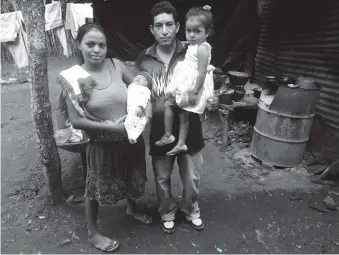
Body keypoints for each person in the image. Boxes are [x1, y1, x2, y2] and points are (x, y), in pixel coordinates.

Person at [60, 23, 152, 252]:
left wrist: (147, 111)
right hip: (101, 143)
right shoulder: (74, 78)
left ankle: (132, 208)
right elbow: (76, 120)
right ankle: (92, 232)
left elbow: (141, 89)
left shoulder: (116, 65)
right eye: (90, 44)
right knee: (95, 188)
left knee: (131, 174)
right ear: (78, 44)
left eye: (101, 45)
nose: (96, 50)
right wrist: (110, 128)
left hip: (130, 138)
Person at [134, 1, 205, 234]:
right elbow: (140, 91)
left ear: (177, 26)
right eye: (158, 26)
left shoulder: (192, 50)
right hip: (159, 131)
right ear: (151, 29)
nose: (164, 30)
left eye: (168, 25)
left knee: (192, 178)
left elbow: (205, 77)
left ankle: (191, 208)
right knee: (162, 178)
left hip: (190, 126)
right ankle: (167, 210)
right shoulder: (143, 58)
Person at [156, 5, 214, 156]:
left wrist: (194, 92)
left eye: (197, 31)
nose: (192, 35)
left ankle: (171, 137)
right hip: (185, 81)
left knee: (171, 105)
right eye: (189, 31)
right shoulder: (195, 45)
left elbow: (201, 71)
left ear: (207, 33)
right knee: (182, 113)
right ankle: (178, 142)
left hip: (192, 86)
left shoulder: (202, 49)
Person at [124, 71, 152, 144]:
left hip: (139, 111)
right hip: (130, 111)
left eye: (143, 79)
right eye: (137, 76)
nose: (139, 78)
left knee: (141, 123)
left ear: (147, 85)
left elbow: (144, 99)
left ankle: (134, 136)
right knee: (127, 123)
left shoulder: (145, 90)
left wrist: (141, 107)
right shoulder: (130, 86)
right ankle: (131, 136)